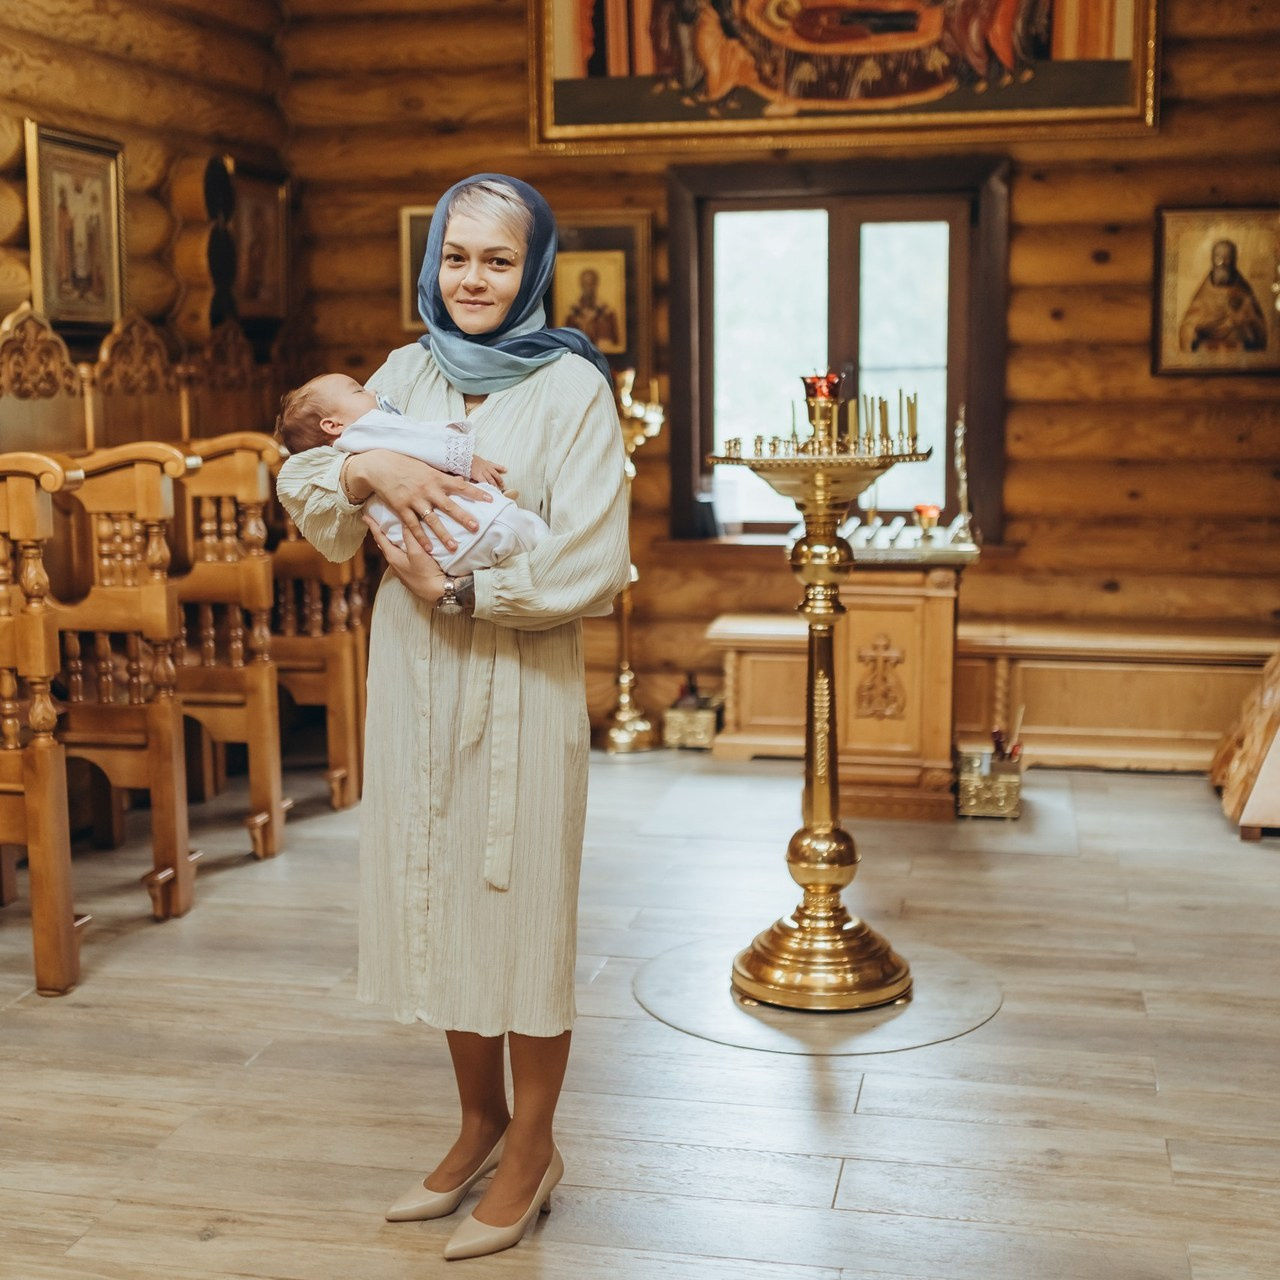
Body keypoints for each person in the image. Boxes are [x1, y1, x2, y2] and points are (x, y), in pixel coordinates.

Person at [275, 174, 631, 1262]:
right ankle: (476, 1120)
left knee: (519, 910)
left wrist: (469, 591)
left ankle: (532, 1141)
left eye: (497, 259)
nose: (472, 279)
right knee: (437, 897)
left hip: (517, 678)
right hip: (414, 675)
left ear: (533, 269)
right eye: (455, 257)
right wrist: (368, 459)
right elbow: (312, 489)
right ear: (430, 262)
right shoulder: (404, 369)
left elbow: (593, 557)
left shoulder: (573, 388)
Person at [276, 371, 549, 577]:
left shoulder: (351, 444)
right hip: (476, 533)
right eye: (358, 391)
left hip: (440, 553)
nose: (372, 390)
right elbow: (420, 438)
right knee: (534, 534)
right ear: (333, 424)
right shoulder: (366, 428)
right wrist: (469, 459)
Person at [1178, 238, 1269, 354]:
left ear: (1234, 260)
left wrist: (1246, 322)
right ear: (1212, 259)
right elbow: (1187, 328)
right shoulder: (1203, 295)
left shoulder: (1245, 293)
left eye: (1228, 257)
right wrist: (1194, 332)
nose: (1222, 262)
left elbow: (1259, 330)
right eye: (1218, 257)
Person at [562, 267, 621, 349]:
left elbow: (616, 343)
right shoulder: (572, 314)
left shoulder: (608, 313)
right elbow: (566, 341)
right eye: (585, 284)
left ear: (596, 284)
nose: (589, 288)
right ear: (581, 285)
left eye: (591, 284)